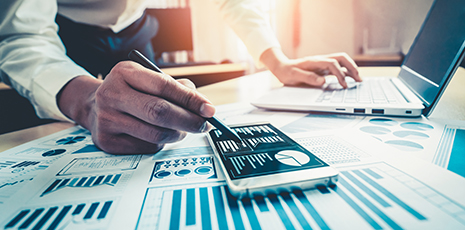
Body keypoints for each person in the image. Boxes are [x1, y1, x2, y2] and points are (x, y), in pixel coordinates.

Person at [0, 0, 361, 154]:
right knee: (93, 125)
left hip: (138, 27)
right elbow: (21, 34)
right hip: (63, 31)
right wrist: (87, 101)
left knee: (148, 123)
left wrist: (276, 59)